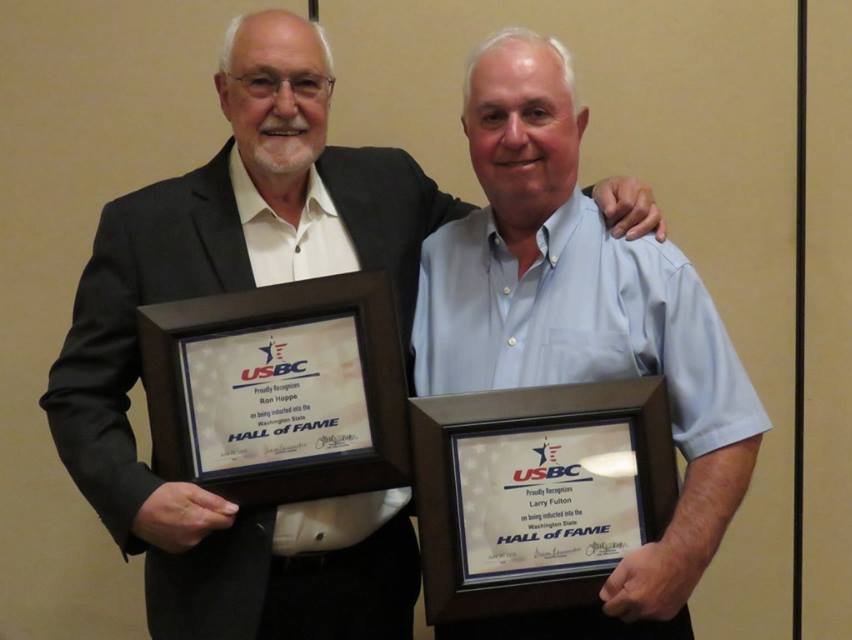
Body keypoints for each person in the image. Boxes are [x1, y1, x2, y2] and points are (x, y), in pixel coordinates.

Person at [39, 10, 666, 640]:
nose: (287, 105)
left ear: (329, 94)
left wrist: (597, 198)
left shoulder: (388, 187)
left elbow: (504, 226)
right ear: (223, 93)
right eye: (262, 83)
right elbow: (78, 393)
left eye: (307, 84)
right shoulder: (148, 227)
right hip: (222, 591)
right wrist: (136, 498)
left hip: (374, 582)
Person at [412, 27, 772, 639]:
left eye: (537, 112)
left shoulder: (646, 264)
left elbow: (728, 434)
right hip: (472, 613)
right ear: (468, 133)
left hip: (617, 614)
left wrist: (682, 560)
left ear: (578, 126)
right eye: (493, 116)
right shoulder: (430, 262)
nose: (516, 135)